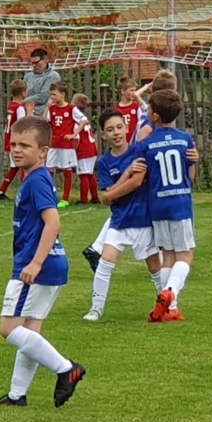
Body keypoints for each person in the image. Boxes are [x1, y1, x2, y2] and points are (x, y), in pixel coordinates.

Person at [0, 116, 85, 408]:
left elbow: (53, 222)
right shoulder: (36, 177)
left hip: (38, 266)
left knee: (9, 328)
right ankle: (16, 395)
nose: (16, 150)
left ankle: (66, 369)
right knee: (30, 330)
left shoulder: (36, 180)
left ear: (44, 151)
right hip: (53, 265)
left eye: (25, 145)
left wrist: (35, 263)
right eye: (14, 144)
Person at [83, 109, 166, 321]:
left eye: (119, 127)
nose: (116, 133)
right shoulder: (104, 162)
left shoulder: (139, 151)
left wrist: (111, 194)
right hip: (119, 221)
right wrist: (126, 173)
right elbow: (109, 195)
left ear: (127, 128)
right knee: (105, 261)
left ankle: (167, 305)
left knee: (154, 266)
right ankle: (95, 309)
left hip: (144, 219)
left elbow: (133, 184)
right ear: (104, 135)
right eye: (110, 130)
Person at [140, 87, 197, 322]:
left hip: (158, 205)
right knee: (186, 254)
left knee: (168, 255)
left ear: (155, 116)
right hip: (180, 203)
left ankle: (170, 309)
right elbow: (191, 176)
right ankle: (170, 292)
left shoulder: (147, 143)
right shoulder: (185, 139)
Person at [0, 79, 31, 198]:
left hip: (10, 139)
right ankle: (24, 193)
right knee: (23, 166)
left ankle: (1, 192)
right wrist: (29, 113)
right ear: (23, 93)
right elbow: (21, 124)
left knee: (14, 167)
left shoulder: (12, 105)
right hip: (16, 141)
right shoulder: (19, 108)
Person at [46, 82, 79, 205]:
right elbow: (45, 121)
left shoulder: (71, 109)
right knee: (49, 169)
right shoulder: (52, 109)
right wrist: (47, 107)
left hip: (66, 145)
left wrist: (73, 135)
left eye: (54, 94)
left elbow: (83, 121)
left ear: (63, 94)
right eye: (51, 94)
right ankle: (50, 195)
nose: (52, 97)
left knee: (67, 170)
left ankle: (65, 199)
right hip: (54, 144)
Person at [72, 93, 100, 204]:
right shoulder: (84, 119)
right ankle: (95, 197)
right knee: (89, 173)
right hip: (92, 148)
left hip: (84, 149)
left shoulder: (76, 120)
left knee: (83, 174)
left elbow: (77, 138)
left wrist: (74, 150)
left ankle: (83, 199)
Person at [23, 47, 59, 117]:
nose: (34, 65)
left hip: (42, 115)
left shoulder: (53, 76)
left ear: (45, 60)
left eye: (36, 62)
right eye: (32, 63)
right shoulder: (28, 76)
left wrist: (22, 102)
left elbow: (42, 97)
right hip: (25, 112)